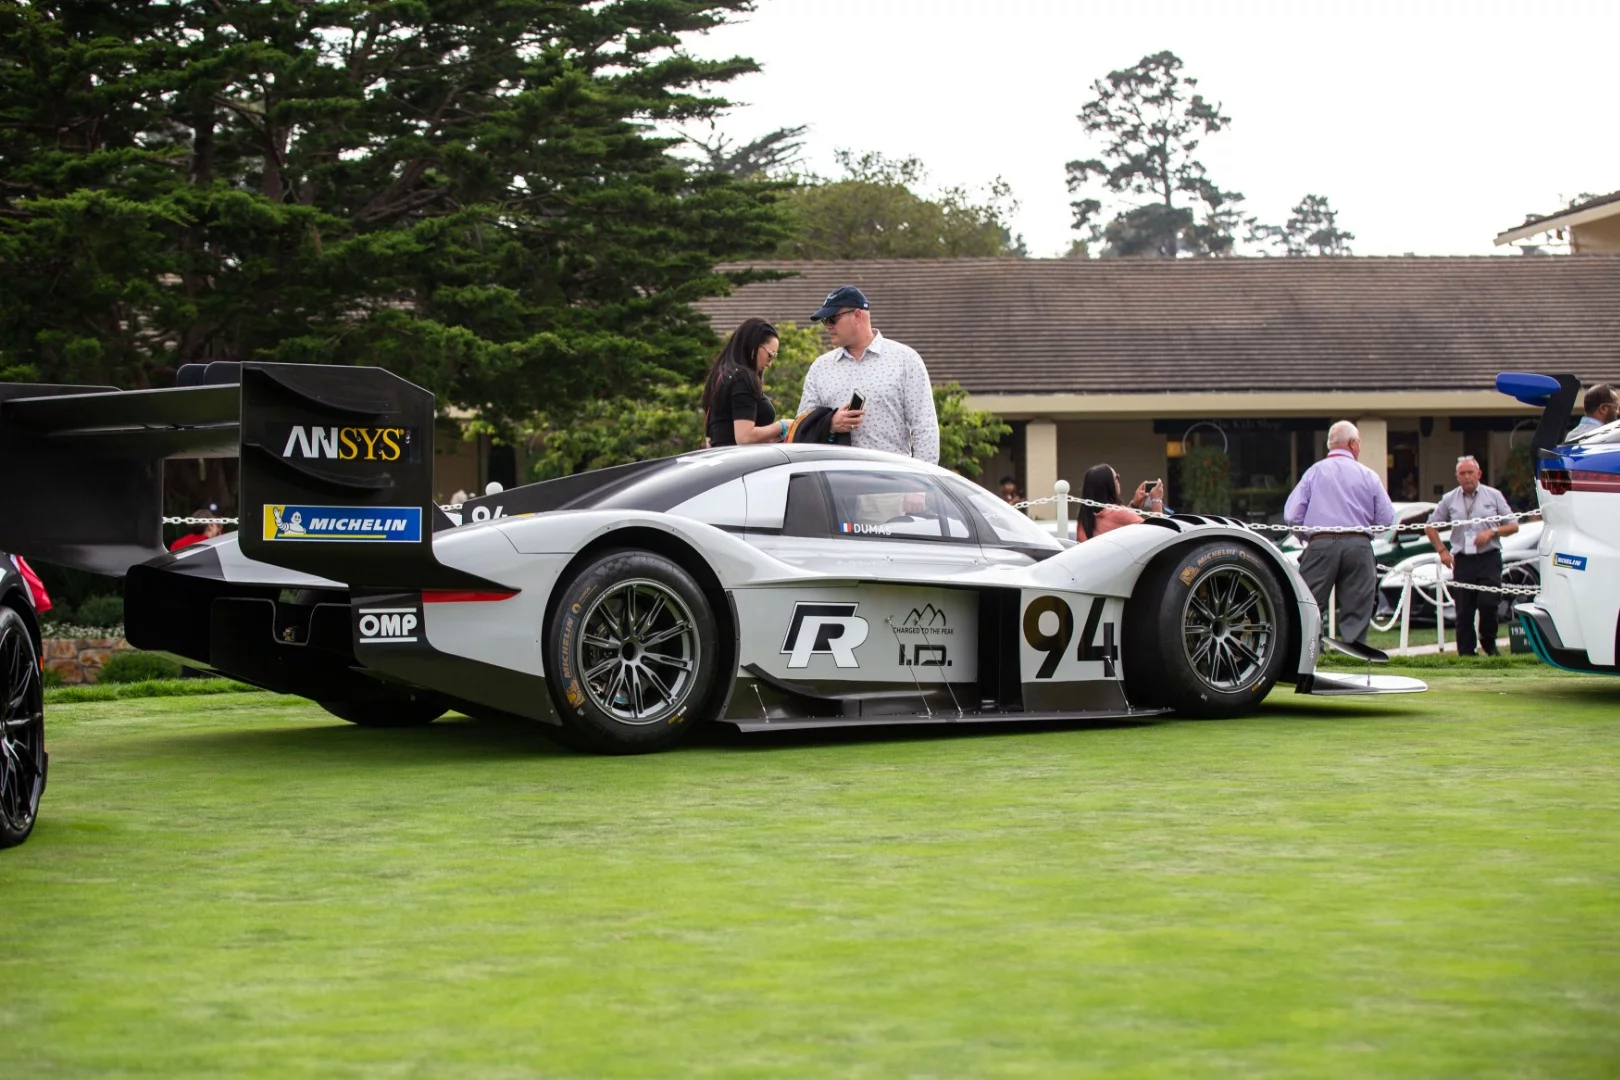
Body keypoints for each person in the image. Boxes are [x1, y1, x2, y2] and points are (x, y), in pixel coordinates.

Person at [798, 285, 939, 463]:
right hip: (836, 485)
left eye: (832, 318)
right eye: (824, 321)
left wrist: (920, 487)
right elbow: (801, 426)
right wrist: (830, 424)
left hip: (892, 482)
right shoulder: (820, 367)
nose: (827, 326)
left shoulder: (906, 360)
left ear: (857, 315)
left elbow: (925, 428)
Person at [1283, 421, 1395, 646]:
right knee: (1356, 606)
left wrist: (1307, 536)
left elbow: (1292, 514)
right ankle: (1352, 654)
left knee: (1309, 602)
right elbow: (1387, 519)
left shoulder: (1314, 472)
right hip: (1358, 544)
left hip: (1320, 543)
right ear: (1353, 444)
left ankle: (1309, 651)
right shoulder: (1368, 474)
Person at [1425, 455, 1518, 657]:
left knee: (1488, 603)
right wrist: (1442, 550)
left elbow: (1513, 525)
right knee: (1464, 609)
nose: (1467, 477)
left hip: (1488, 557)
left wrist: (1492, 532)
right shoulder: (1450, 499)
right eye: (1462, 473)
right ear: (1457, 477)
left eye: (1470, 473)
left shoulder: (1493, 495)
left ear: (1479, 474)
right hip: (1463, 559)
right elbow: (1430, 526)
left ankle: (1489, 643)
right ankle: (1466, 652)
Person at [702, 317, 788, 448]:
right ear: (753, 346)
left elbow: (711, 438)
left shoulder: (721, 375)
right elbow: (744, 437)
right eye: (770, 355)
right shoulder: (742, 378)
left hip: (719, 457)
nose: (770, 364)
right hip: (739, 462)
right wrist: (781, 426)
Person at [1075, 465, 1163, 541]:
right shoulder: (1116, 513)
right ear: (1109, 484)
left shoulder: (1084, 516)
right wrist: (1156, 500)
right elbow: (1156, 533)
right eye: (1117, 477)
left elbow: (1118, 522)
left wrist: (1134, 505)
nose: (1119, 481)